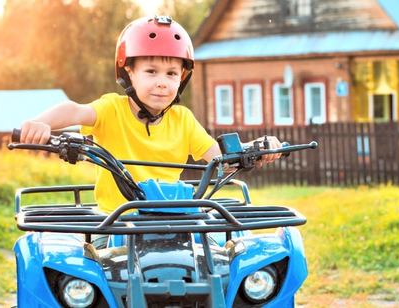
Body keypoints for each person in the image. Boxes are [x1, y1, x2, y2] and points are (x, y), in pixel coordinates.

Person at [19, 16, 281, 213]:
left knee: (226, 255)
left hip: (175, 219)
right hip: (117, 224)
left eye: (171, 74)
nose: (162, 82)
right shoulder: (111, 109)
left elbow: (220, 159)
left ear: (182, 78)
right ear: (129, 72)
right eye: (151, 71)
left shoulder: (183, 120)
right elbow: (74, 110)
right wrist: (42, 123)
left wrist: (255, 150)